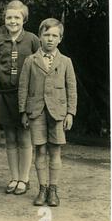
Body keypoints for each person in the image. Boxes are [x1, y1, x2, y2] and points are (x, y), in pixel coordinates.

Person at [19, 18, 77, 207]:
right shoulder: (30, 60)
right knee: (40, 151)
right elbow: (23, 87)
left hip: (58, 112)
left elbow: (71, 88)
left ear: (60, 39)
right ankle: (42, 189)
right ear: (40, 36)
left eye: (54, 36)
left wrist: (70, 113)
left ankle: (53, 189)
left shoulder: (66, 61)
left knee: (55, 151)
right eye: (47, 35)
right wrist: (23, 112)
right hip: (36, 112)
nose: (50, 39)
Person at [0, 0, 40, 195]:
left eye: (17, 17)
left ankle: (24, 178)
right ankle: (13, 177)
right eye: (9, 17)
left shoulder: (32, 40)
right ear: (5, 19)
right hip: (5, 95)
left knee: (24, 137)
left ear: (24, 19)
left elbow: (38, 68)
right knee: (10, 138)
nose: (12, 21)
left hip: (25, 96)